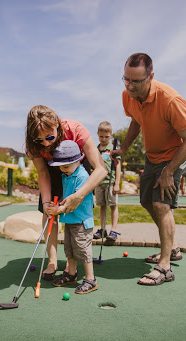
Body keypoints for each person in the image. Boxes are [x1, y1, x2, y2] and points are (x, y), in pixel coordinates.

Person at [112, 53, 186, 286]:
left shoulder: (170, 100)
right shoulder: (128, 96)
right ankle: (172, 248)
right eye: (126, 79)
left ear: (150, 77)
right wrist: (125, 148)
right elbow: (136, 121)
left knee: (161, 204)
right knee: (147, 201)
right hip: (153, 155)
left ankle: (165, 266)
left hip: (175, 154)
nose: (129, 85)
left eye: (136, 81)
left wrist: (169, 172)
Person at [25, 105, 107, 281]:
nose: (46, 144)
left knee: (76, 215)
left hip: (76, 165)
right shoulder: (32, 143)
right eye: (40, 141)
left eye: (49, 137)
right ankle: (52, 262)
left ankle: (76, 269)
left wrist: (79, 195)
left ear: (56, 123)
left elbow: (101, 169)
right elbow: (43, 173)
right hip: (51, 169)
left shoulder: (76, 130)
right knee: (49, 214)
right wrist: (47, 204)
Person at [45, 140, 98, 294]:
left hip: (81, 221)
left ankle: (90, 279)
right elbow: (67, 196)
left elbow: (75, 200)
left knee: (82, 249)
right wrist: (59, 205)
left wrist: (59, 210)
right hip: (70, 220)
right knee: (70, 249)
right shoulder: (67, 174)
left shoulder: (82, 176)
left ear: (78, 161)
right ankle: (71, 274)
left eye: (66, 166)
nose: (62, 169)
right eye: (60, 166)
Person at [93, 121, 122, 242]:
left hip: (110, 182)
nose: (103, 139)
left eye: (106, 136)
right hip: (99, 182)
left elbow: (118, 166)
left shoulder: (113, 149)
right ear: (97, 135)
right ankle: (102, 229)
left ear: (111, 135)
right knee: (102, 206)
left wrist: (116, 184)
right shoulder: (96, 149)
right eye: (101, 136)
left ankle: (113, 230)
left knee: (113, 206)